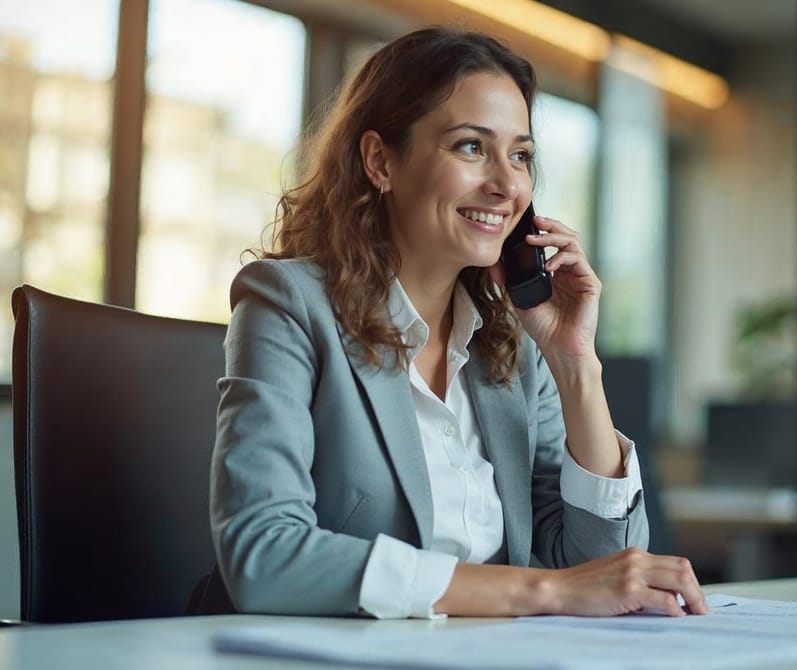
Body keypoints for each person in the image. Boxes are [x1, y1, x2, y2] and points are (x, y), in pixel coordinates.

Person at [206, 27, 708, 619]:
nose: (506, 185)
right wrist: (537, 591)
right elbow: (263, 557)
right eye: (471, 147)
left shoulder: (513, 351)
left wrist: (576, 366)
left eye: (520, 155)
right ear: (379, 161)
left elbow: (610, 568)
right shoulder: (290, 304)